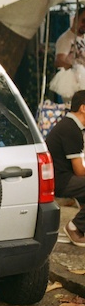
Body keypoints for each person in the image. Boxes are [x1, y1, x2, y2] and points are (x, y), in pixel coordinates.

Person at [46, 89, 85, 247]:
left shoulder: (69, 125)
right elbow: (80, 171)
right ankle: (74, 227)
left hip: (62, 176)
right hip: (61, 180)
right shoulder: (71, 129)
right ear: (83, 108)